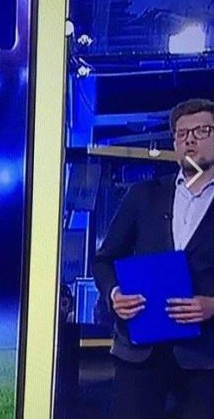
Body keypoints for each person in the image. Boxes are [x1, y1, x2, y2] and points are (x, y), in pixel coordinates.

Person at [93, 98, 214, 419]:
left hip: (204, 361)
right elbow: (104, 260)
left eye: (201, 131)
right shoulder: (143, 195)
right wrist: (114, 294)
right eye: (181, 133)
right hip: (139, 356)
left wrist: (212, 305)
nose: (189, 139)